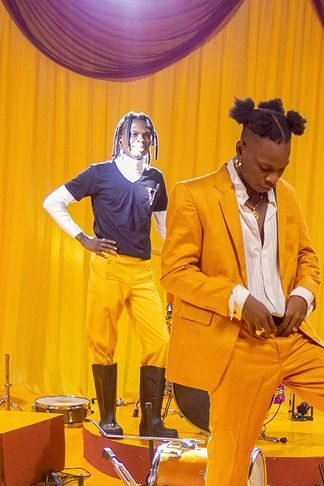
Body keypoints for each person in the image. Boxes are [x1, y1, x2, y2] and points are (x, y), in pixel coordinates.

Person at [160, 98, 324, 486]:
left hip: (293, 338)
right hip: (238, 343)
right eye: (265, 168)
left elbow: (306, 256)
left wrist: (303, 295)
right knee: (230, 457)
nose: (273, 178)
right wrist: (238, 299)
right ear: (240, 150)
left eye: (281, 169)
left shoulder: (288, 194)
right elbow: (175, 272)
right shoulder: (193, 195)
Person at [43, 112, 177, 438]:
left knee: (160, 341)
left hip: (141, 272)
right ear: (121, 138)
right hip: (108, 267)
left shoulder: (155, 179)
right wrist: (84, 239)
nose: (141, 140)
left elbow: (165, 229)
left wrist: (184, 255)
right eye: (135, 134)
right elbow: (53, 202)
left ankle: (151, 422)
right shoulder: (99, 173)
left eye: (146, 135)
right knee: (102, 341)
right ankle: (107, 419)